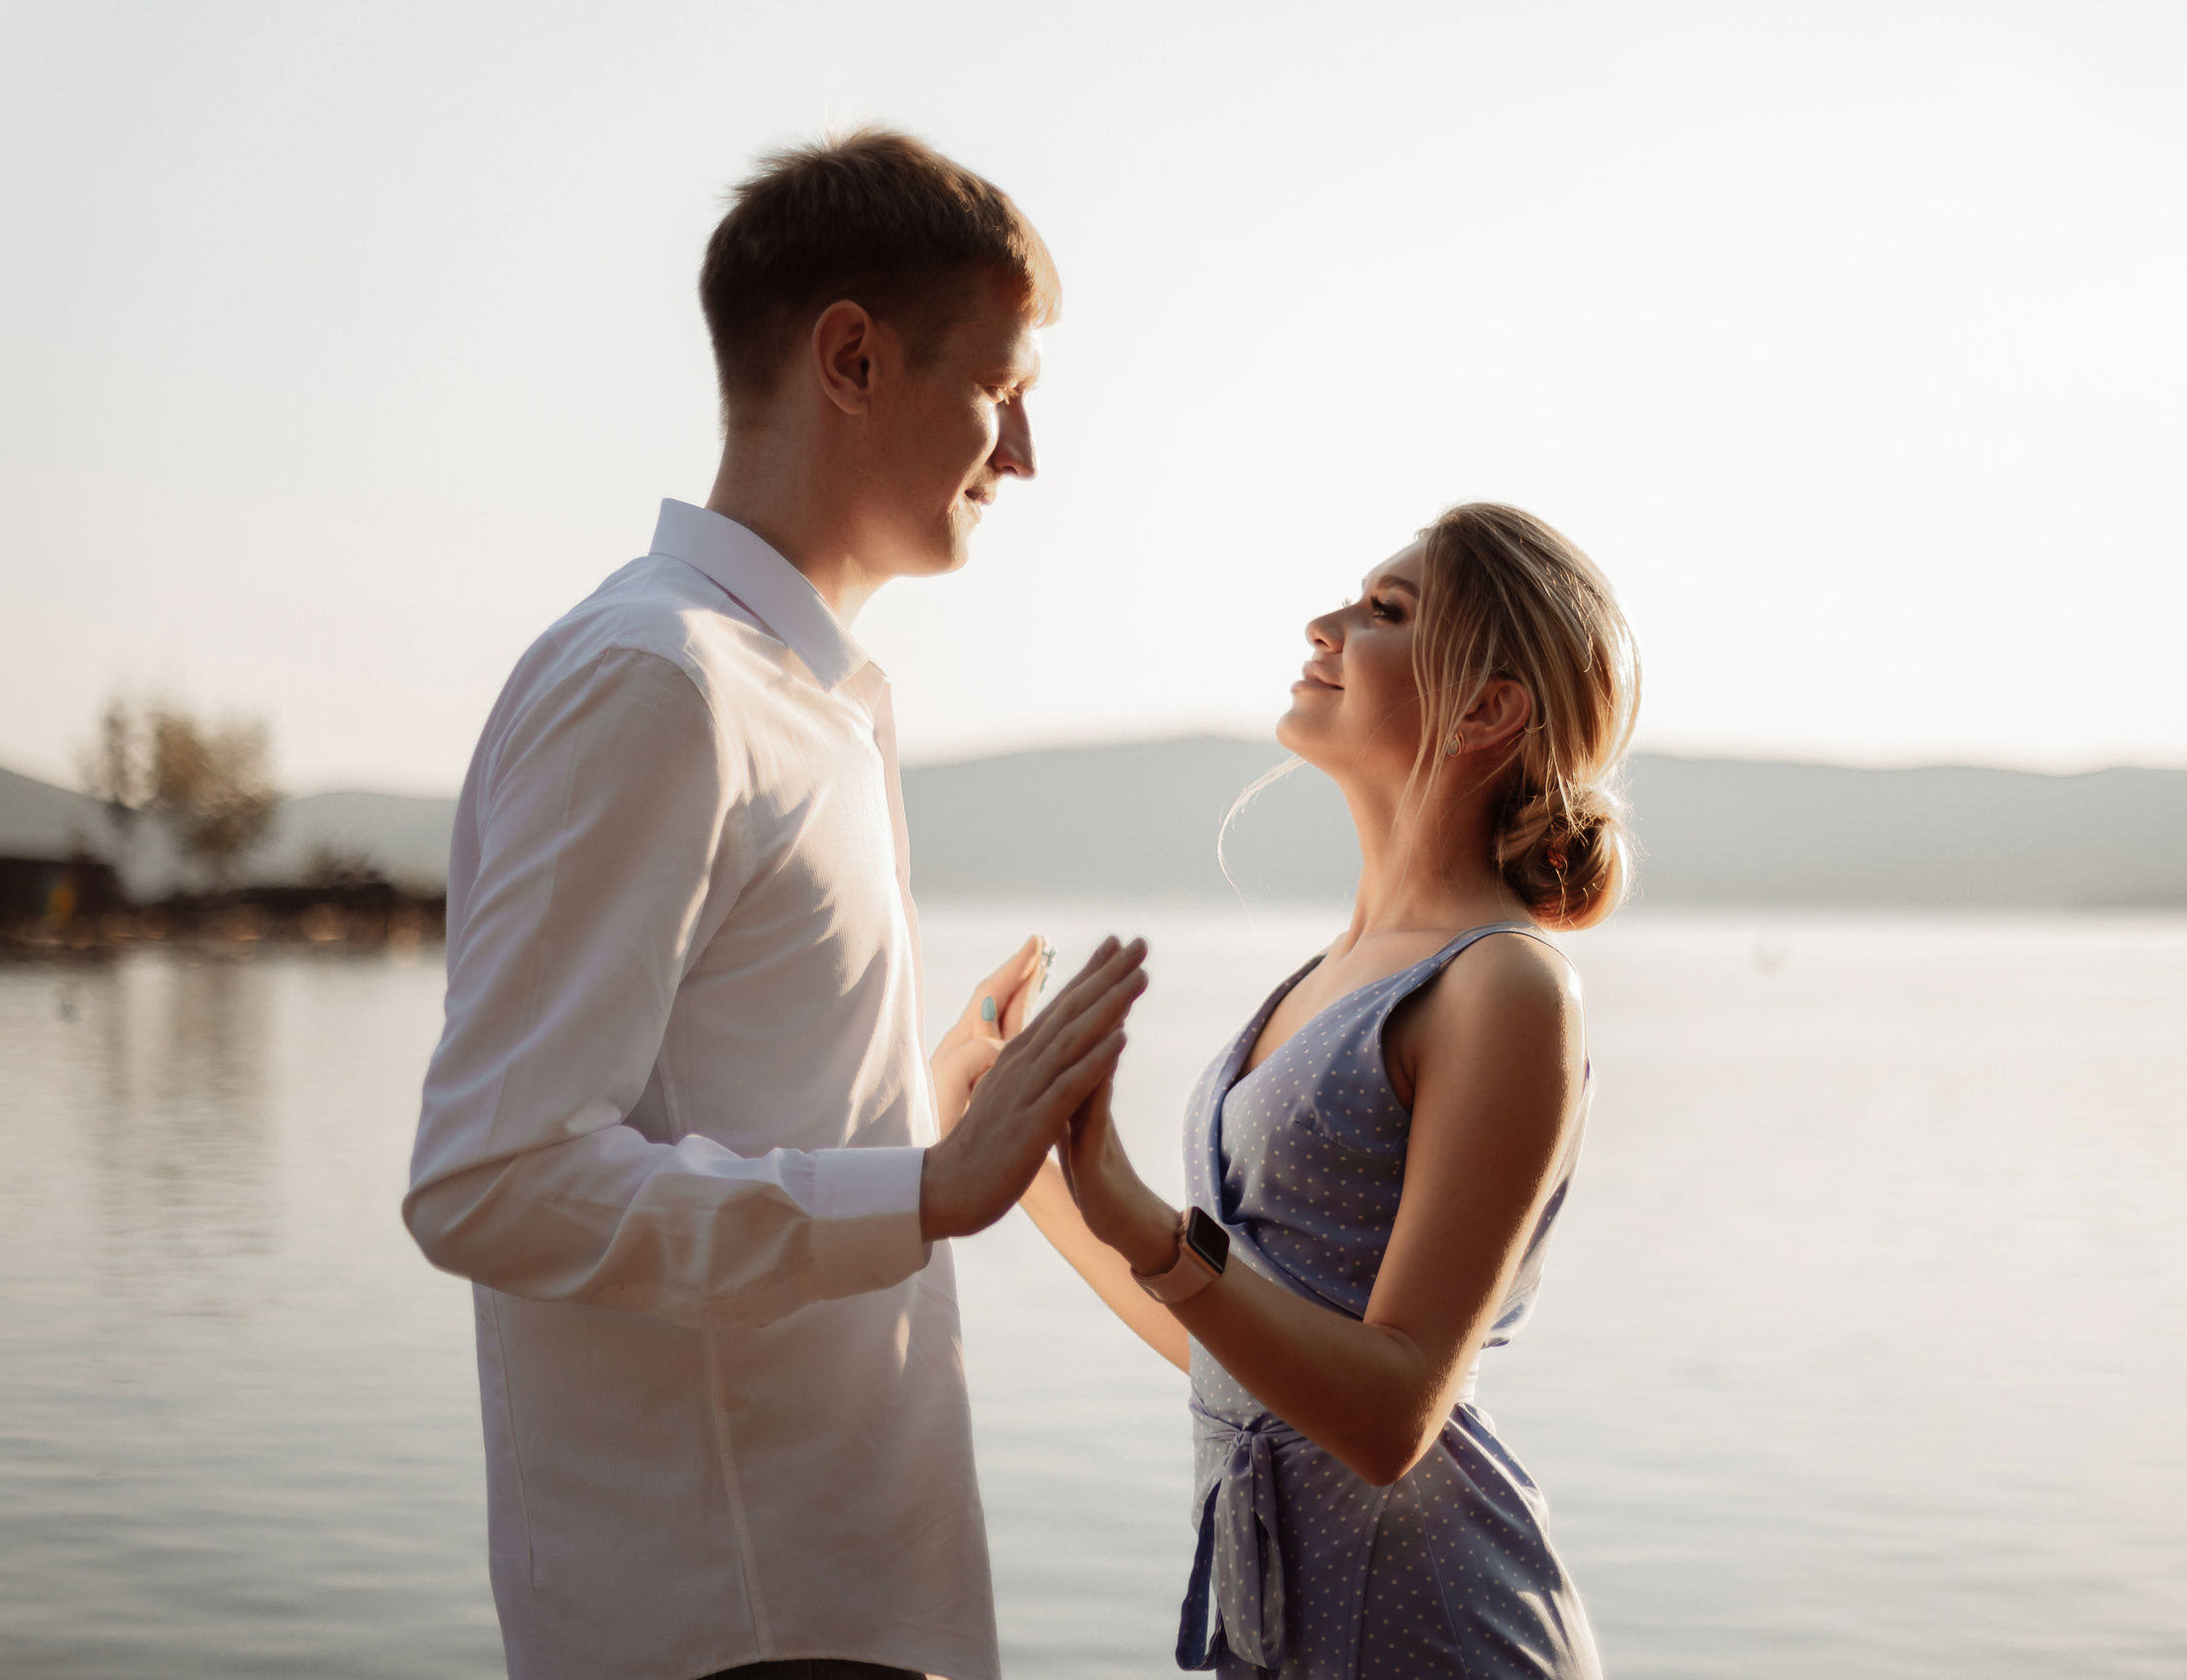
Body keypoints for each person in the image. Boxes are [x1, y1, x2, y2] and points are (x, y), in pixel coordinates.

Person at [402, 131, 1145, 1680]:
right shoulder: (657, 682)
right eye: (1004, 391)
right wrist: (927, 1196)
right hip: (726, 1626)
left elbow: (713, 1109)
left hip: (844, 1599)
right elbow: (490, 1177)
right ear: (854, 359)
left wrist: (924, 1116)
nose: (1026, 459)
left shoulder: (804, 694)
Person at [1024, 504, 1635, 1676]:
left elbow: (1388, 1413)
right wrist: (1021, 1149)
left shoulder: (1502, 985)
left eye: (1384, 611)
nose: (1324, 624)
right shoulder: (1326, 977)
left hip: (1442, 1632)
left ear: (1486, 707)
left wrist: (1143, 1218)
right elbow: (1230, 1344)